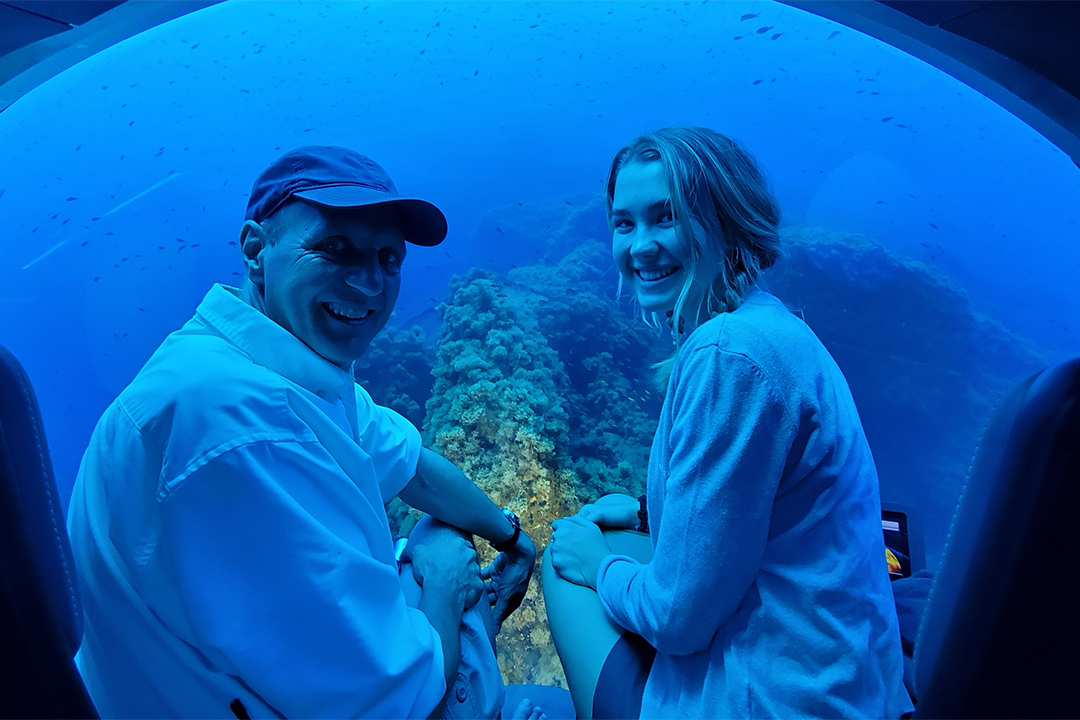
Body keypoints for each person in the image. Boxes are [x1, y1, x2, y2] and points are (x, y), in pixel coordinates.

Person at [66, 146, 543, 719]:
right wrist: (444, 583)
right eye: (334, 249)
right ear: (255, 250)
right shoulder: (242, 424)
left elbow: (410, 464)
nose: (370, 285)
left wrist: (511, 539)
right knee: (444, 555)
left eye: (388, 258)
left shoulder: (266, 363)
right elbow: (394, 703)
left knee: (444, 536)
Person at [544, 127, 913, 719]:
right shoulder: (771, 327)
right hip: (849, 682)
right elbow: (760, 503)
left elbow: (676, 623)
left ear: (726, 217)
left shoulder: (729, 356)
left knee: (566, 564)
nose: (641, 246)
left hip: (776, 701)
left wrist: (598, 567)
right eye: (624, 223)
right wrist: (644, 511)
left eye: (666, 218)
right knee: (624, 538)